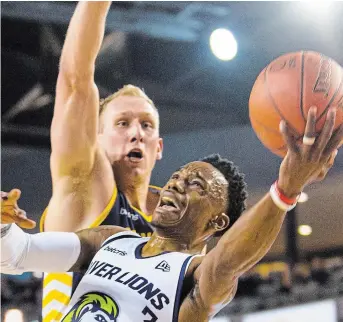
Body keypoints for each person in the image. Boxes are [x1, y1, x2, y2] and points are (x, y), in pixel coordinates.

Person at [2, 107, 342, 321]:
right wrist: (3, 227)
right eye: (176, 177)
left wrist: (286, 190)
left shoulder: (194, 277)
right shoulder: (111, 240)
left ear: (217, 222)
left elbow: (226, 262)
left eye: (194, 185)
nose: (175, 185)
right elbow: (19, 255)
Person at [38, 2, 163, 320]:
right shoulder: (83, 187)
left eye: (146, 125)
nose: (136, 132)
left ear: (158, 146)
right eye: (122, 123)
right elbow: (75, 83)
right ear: (97, 138)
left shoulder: (176, 218)